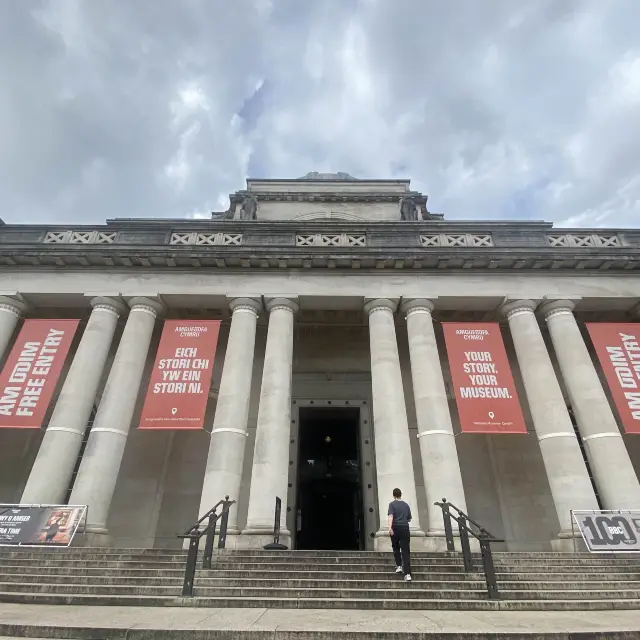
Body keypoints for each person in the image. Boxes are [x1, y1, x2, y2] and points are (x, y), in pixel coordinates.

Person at [388, 487, 412, 581]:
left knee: (396, 547)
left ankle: (399, 566)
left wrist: (389, 528)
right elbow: (409, 518)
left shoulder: (392, 504)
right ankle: (408, 574)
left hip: (395, 528)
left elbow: (391, 516)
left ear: (393, 495)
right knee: (405, 551)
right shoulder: (406, 505)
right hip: (405, 528)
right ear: (401, 495)